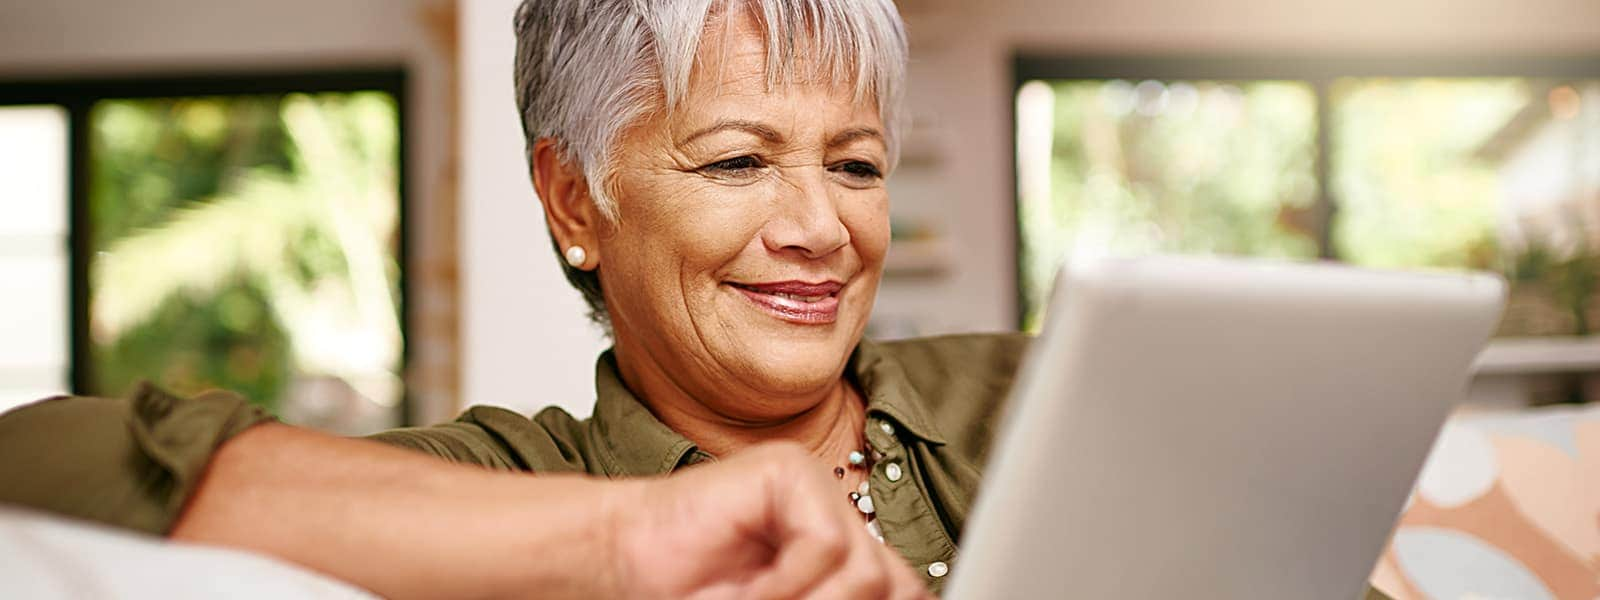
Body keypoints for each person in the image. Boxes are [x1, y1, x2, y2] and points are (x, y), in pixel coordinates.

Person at [0, 1, 1393, 598]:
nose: (818, 230)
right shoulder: (514, 482)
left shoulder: (1038, 389)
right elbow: (41, 469)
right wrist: (629, 536)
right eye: (735, 161)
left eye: (854, 164)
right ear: (572, 200)